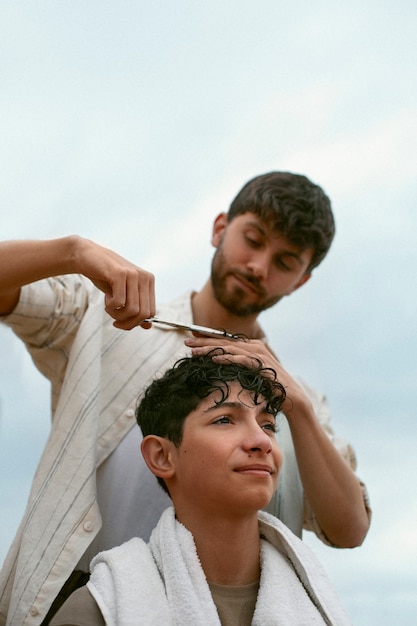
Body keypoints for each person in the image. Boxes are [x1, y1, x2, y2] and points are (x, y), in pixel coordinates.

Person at [0, 171, 370, 625]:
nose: (259, 266)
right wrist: (75, 252)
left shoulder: (294, 397)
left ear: (301, 281)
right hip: (77, 602)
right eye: (252, 239)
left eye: (285, 260)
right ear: (220, 228)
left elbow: (349, 529)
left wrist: (300, 412)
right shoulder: (105, 323)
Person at [50, 351, 352, 625]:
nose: (261, 441)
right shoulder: (99, 609)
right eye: (224, 420)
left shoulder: (316, 602)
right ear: (162, 456)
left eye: (269, 425)